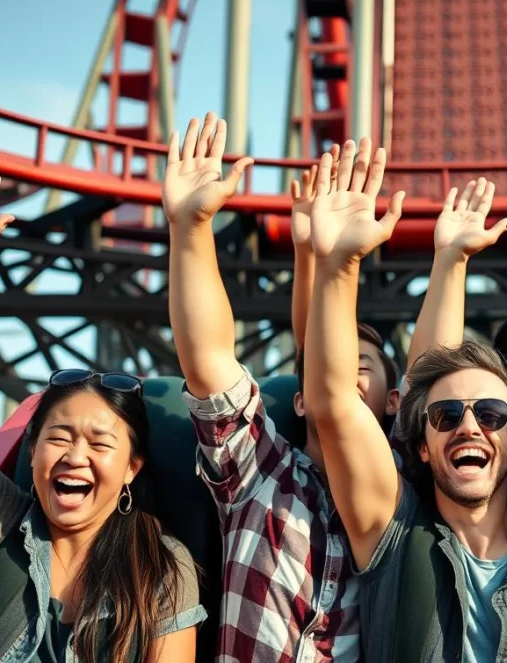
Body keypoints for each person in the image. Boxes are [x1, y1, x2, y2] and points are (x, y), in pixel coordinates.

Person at [0, 167, 204, 662]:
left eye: (100, 443)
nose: (75, 455)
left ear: (132, 467)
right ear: (35, 450)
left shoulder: (163, 568)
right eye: (58, 437)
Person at [302, 145, 507, 662]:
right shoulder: (392, 530)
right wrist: (339, 266)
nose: (469, 426)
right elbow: (335, 403)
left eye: (492, 415)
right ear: (422, 446)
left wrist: (452, 259)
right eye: (447, 416)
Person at [164, 118, 396, 661]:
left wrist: (332, 262)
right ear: (299, 396)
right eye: (335, 367)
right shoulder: (261, 471)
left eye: (363, 367)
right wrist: (191, 230)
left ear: (395, 404)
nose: (345, 376)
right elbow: (209, 363)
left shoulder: (408, 493)